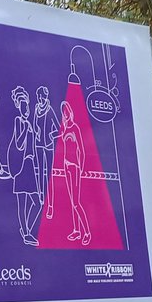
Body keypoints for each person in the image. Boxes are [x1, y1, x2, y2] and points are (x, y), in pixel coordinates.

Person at [10, 87, 41, 246]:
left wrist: (36, 166)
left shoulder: (29, 123)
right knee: (22, 201)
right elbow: (18, 143)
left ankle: (26, 229)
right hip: (20, 166)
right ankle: (26, 233)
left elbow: (34, 150)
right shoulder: (19, 121)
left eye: (27, 106)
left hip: (29, 165)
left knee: (38, 202)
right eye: (22, 106)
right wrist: (27, 131)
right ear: (18, 106)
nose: (26, 109)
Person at [60, 101, 91, 246]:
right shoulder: (65, 130)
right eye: (63, 113)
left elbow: (82, 150)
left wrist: (82, 168)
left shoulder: (75, 128)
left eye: (66, 112)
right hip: (66, 167)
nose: (65, 115)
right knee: (72, 202)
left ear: (70, 113)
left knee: (76, 202)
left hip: (75, 167)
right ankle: (76, 230)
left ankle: (87, 232)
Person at [33, 86, 58, 219]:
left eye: (40, 96)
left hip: (48, 146)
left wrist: (50, 136)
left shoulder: (49, 110)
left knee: (48, 176)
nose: (39, 98)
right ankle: (41, 200)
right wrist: (36, 133)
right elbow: (34, 124)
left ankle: (50, 205)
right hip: (38, 145)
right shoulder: (36, 109)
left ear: (44, 97)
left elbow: (58, 129)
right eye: (38, 96)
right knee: (39, 175)